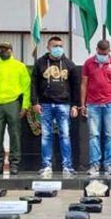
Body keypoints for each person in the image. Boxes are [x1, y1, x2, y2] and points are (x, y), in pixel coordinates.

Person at [0, 41, 31, 175]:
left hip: (13, 104)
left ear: (11, 50)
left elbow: (26, 87)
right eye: (1, 49)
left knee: (15, 135)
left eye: (6, 49)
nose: (3, 52)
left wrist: (25, 106)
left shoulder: (19, 66)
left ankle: (14, 164)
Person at [32, 35, 79, 177]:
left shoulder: (69, 64)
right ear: (48, 47)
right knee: (46, 136)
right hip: (45, 104)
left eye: (60, 46)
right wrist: (34, 102)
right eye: (55, 46)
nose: (58, 49)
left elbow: (76, 86)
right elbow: (33, 84)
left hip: (64, 104)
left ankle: (67, 166)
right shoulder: (40, 63)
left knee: (65, 135)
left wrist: (75, 105)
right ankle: (46, 166)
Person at [80, 38, 111, 176]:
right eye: (100, 53)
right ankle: (94, 165)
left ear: (109, 51)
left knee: (110, 135)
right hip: (93, 105)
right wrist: (83, 105)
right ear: (97, 50)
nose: (102, 55)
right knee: (94, 135)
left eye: (105, 53)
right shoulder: (88, 63)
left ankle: (108, 165)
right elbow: (84, 84)